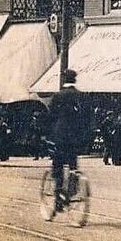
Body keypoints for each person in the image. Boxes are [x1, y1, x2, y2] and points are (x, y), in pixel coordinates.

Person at [49, 71, 92, 209]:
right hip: (76, 137)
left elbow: (50, 117)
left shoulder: (58, 96)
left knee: (58, 166)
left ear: (63, 80)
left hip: (60, 137)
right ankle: (71, 192)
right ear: (74, 80)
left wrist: (47, 134)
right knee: (73, 164)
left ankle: (58, 198)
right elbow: (87, 117)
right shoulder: (81, 96)